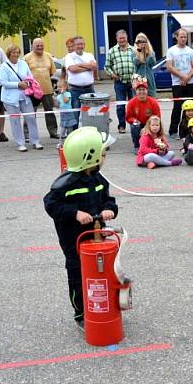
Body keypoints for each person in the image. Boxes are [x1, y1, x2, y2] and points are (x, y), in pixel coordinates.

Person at [43, 127, 118, 330]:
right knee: (78, 276)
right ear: (89, 157)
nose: (104, 158)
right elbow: (51, 204)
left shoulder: (98, 179)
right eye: (102, 154)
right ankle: (81, 314)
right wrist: (75, 213)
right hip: (74, 242)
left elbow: (108, 200)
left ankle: (102, 306)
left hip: (97, 238)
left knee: (102, 274)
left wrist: (109, 210)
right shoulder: (65, 184)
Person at [0, 44, 42, 152]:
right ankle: (20, 143)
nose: (16, 54)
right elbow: (4, 83)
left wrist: (27, 83)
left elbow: (30, 77)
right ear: (9, 53)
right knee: (15, 121)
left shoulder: (23, 63)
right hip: (11, 99)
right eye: (14, 52)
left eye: (18, 52)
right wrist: (18, 84)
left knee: (31, 118)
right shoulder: (3, 66)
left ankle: (35, 141)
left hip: (25, 96)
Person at [23, 37, 59, 140]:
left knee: (49, 112)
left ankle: (53, 132)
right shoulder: (26, 58)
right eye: (37, 46)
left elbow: (52, 72)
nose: (40, 47)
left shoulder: (48, 56)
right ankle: (27, 133)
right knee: (30, 113)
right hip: (32, 91)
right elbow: (23, 74)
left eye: (41, 45)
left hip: (47, 89)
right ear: (32, 46)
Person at [165, 28, 193, 136]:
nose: (183, 39)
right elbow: (169, 67)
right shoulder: (171, 50)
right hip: (177, 83)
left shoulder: (190, 51)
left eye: (185, 37)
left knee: (190, 107)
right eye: (181, 37)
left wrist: (188, 78)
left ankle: (189, 129)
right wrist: (182, 77)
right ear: (177, 37)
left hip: (190, 82)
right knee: (177, 107)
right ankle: (173, 130)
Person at [104, 30, 135, 134]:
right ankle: (121, 126)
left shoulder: (134, 50)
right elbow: (107, 67)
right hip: (119, 82)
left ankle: (134, 124)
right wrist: (112, 75)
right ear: (117, 39)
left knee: (133, 105)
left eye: (124, 38)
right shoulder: (112, 51)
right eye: (120, 38)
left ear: (127, 38)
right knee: (121, 105)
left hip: (133, 82)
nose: (122, 40)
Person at [64, 35, 97, 128]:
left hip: (89, 89)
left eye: (82, 44)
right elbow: (73, 69)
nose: (80, 46)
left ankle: (90, 132)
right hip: (75, 90)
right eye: (78, 44)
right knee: (75, 113)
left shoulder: (89, 55)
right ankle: (75, 133)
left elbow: (94, 67)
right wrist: (88, 67)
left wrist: (80, 65)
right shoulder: (69, 56)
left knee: (91, 112)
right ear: (74, 46)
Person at [125, 81, 161, 150]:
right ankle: (137, 146)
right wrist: (134, 120)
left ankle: (154, 143)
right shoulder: (131, 102)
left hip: (150, 123)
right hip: (138, 123)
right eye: (139, 90)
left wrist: (148, 126)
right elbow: (128, 117)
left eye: (143, 89)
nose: (141, 92)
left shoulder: (153, 102)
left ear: (147, 91)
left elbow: (157, 116)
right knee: (134, 126)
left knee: (156, 125)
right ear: (136, 91)